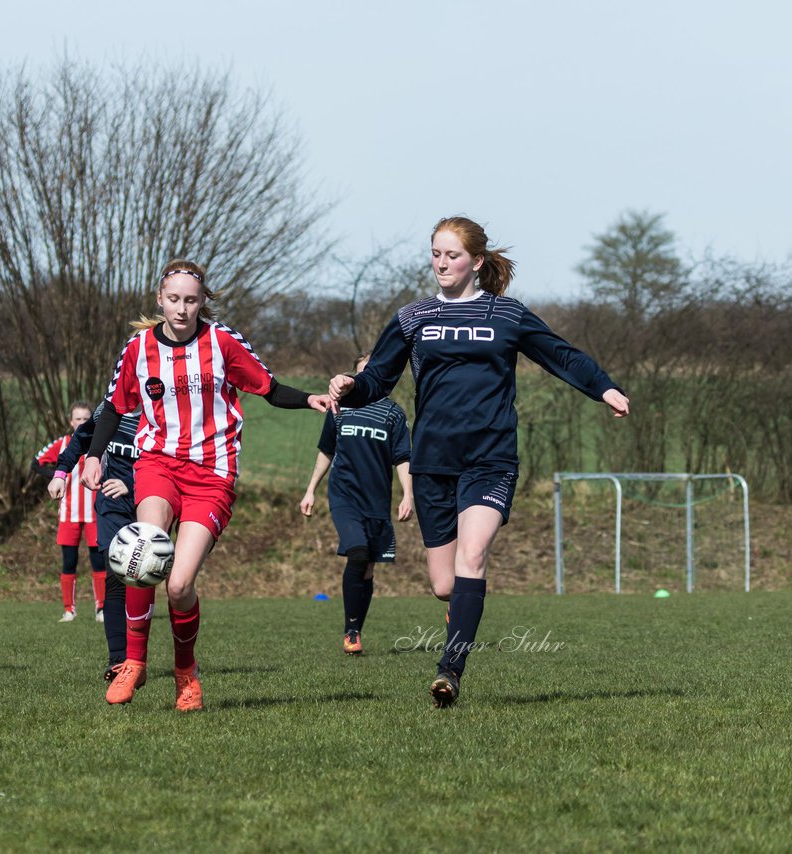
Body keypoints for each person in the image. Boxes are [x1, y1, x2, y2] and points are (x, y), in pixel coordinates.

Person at [328, 216, 630, 708]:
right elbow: (378, 378)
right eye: (436, 254)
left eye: (452, 255)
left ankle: (450, 670)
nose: (442, 263)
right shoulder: (414, 318)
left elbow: (561, 355)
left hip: (490, 459)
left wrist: (605, 387)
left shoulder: (506, 315)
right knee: (446, 584)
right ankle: (462, 614)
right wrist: (350, 385)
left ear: (477, 262)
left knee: (473, 556)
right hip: (432, 463)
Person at [82, 259, 330, 711]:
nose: (181, 308)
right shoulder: (138, 348)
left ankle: (185, 675)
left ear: (203, 302)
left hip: (212, 475)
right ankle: (132, 663)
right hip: (157, 464)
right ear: (160, 300)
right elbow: (115, 406)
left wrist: (307, 398)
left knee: (178, 585)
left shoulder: (222, 342)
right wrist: (94, 456)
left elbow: (268, 388)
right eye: (173, 299)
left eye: (191, 300)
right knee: (143, 552)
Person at [300, 354, 413, 656]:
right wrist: (310, 489)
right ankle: (350, 629)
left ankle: (356, 632)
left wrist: (408, 494)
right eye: (361, 373)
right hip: (343, 496)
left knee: (367, 568)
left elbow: (402, 457)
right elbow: (326, 450)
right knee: (358, 551)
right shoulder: (340, 408)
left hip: (377, 501)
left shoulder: (393, 414)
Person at [48, 401, 142, 681]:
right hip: (111, 504)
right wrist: (60, 473)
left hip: (148, 499)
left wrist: (132, 483)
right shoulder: (109, 410)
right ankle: (117, 661)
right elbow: (81, 438)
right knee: (115, 575)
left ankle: (144, 658)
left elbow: (174, 462)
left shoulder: (164, 409)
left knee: (141, 578)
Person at [33, 402, 107, 622]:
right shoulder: (63, 443)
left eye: (86, 419)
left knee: (99, 562)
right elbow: (36, 463)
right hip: (69, 513)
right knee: (69, 562)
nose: (82, 423)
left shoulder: (99, 441)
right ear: (70, 421)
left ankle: (101, 609)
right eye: (78, 419)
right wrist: (58, 476)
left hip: (94, 512)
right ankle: (69, 610)